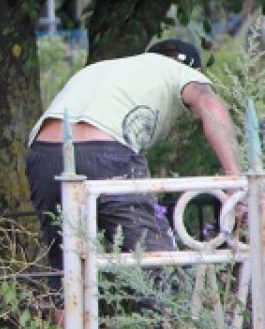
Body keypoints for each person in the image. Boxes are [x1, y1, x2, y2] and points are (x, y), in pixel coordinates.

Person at [25, 39, 240, 293]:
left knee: (67, 273)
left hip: (44, 152)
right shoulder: (182, 73)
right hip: (107, 152)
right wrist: (235, 183)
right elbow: (210, 105)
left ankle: (66, 327)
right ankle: (173, 327)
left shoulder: (108, 69)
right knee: (159, 268)